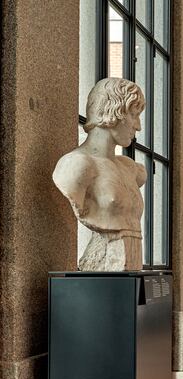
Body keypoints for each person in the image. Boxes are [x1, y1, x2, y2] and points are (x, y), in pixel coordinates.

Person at [52, 78, 146, 271]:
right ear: (113, 112)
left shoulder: (130, 168)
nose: (138, 126)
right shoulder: (76, 165)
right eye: (134, 115)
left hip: (131, 271)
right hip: (105, 268)